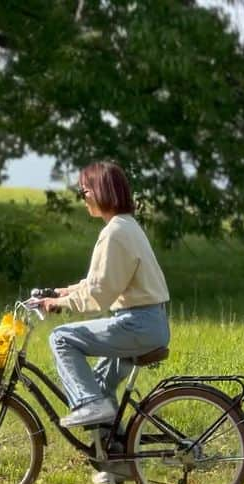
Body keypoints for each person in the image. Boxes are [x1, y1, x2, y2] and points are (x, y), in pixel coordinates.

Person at [38, 161, 171, 433]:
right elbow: (104, 279)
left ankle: (88, 404)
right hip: (147, 322)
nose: (82, 198)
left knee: (60, 338)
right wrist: (66, 291)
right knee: (100, 386)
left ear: (100, 191)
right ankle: (115, 461)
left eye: (83, 191)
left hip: (138, 324)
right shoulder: (126, 226)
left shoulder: (115, 233)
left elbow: (99, 294)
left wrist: (59, 304)